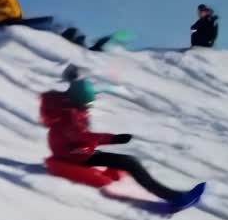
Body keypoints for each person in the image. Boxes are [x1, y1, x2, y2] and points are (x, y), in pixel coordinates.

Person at [40, 66, 203, 208]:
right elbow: (84, 136)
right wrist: (113, 139)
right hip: (75, 155)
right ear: (78, 100)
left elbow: (79, 133)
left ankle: (161, 192)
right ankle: (174, 198)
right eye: (87, 104)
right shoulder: (70, 116)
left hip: (72, 150)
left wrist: (74, 78)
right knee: (129, 162)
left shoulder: (67, 106)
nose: (89, 107)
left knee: (122, 161)